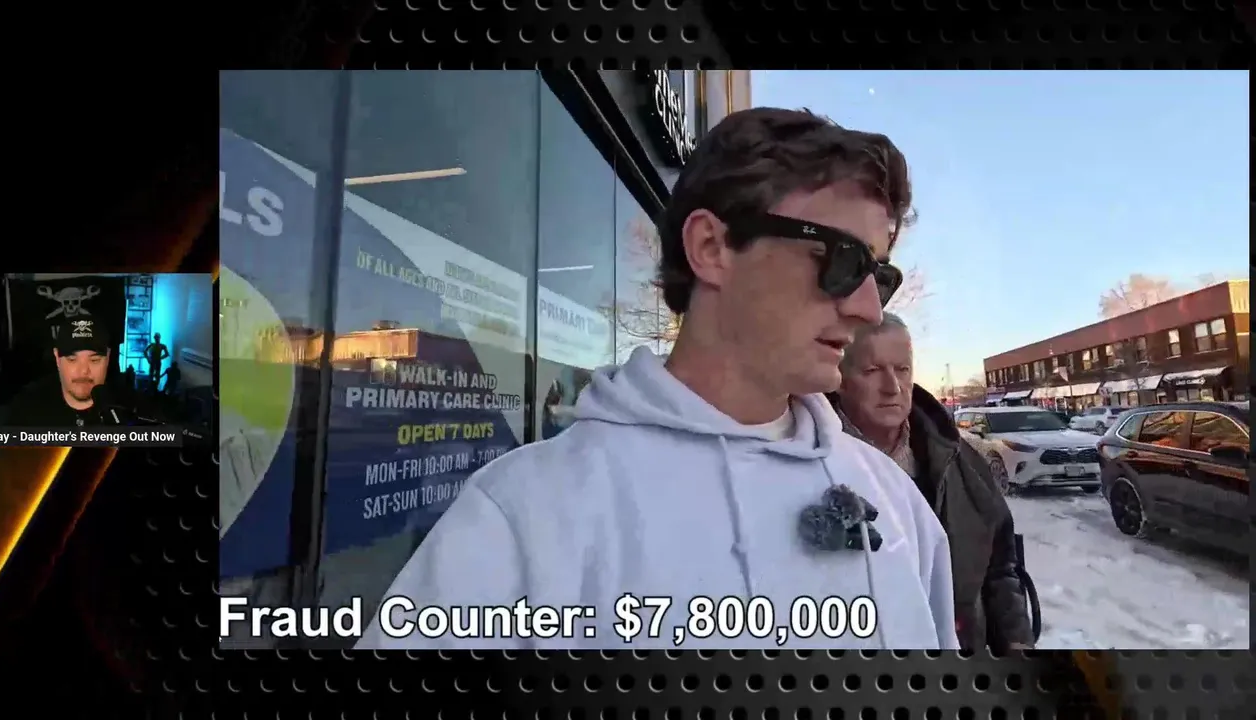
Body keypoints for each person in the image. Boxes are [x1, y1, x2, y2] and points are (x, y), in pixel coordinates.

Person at [356, 108, 958, 650]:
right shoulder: (525, 518)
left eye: (880, 277)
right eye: (842, 260)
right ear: (712, 247)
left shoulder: (896, 503)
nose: (868, 309)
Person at [830, 312, 1035, 651]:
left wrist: (1015, 641)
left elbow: (1000, 565)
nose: (892, 387)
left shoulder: (961, 460)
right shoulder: (808, 460)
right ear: (839, 378)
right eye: (872, 370)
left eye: (902, 369)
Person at [0, 318, 114, 427]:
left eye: (94, 360)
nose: (83, 371)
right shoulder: (24, 412)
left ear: (108, 358)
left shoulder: (123, 410)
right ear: (57, 358)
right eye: (72, 360)